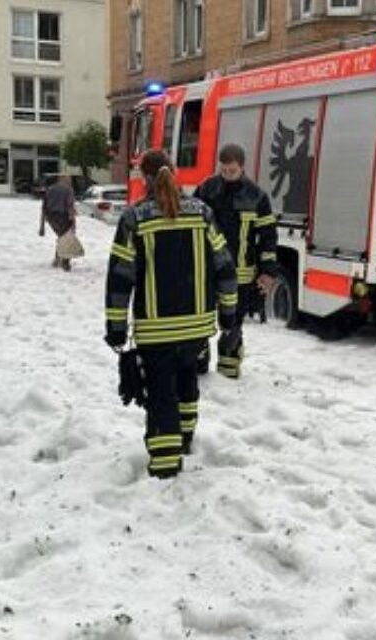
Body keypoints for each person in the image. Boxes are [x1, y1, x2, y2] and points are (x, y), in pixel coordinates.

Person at [104, 150, 238, 478]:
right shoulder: (202, 213)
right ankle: (186, 439)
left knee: (161, 391)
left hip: (156, 328)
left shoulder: (135, 218)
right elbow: (225, 266)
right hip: (196, 327)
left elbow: (121, 278)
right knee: (187, 381)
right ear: (174, 173)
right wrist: (229, 313)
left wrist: (116, 326)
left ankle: (165, 466)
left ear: (144, 177)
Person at [194, 144, 278, 379]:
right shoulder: (206, 190)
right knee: (202, 320)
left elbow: (268, 238)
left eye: (232, 171)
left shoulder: (256, 197)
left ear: (242, 167)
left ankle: (228, 372)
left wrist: (268, 272)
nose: (228, 175)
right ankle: (199, 368)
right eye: (224, 170)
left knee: (233, 325)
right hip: (207, 272)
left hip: (241, 275)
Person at [40, 174, 80, 271]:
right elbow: (69, 205)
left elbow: (43, 207)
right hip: (63, 216)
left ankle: (57, 259)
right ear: (62, 180)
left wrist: (42, 226)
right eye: (68, 179)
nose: (70, 181)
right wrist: (73, 221)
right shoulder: (68, 190)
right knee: (66, 238)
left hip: (51, 217)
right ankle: (65, 262)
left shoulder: (50, 189)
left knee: (62, 237)